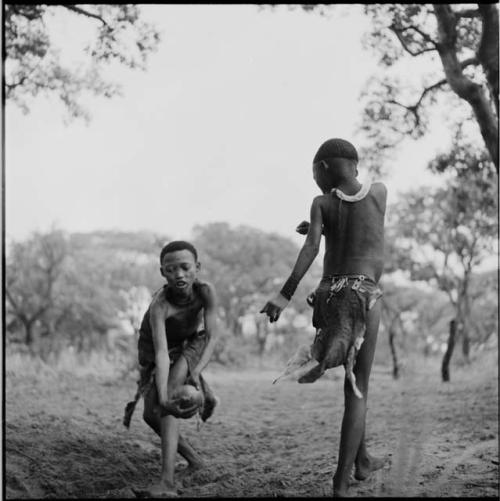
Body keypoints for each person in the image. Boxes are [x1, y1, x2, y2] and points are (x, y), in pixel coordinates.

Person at [261, 138, 387, 497]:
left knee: (351, 381)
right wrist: (328, 223)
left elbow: (312, 247)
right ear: (354, 166)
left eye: (314, 172)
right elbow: (361, 222)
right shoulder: (379, 192)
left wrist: (284, 294)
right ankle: (340, 482)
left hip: (329, 296)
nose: (314, 181)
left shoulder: (321, 204)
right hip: (362, 294)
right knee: (357, 388)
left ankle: (361, 461)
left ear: (324, 168)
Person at [124, 240, 219, 498]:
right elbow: (161, 353)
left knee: (175, 392)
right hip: (156, 354)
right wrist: (163, 400)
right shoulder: (160, 305)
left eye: (185, 267)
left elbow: (211, 337)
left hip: (191, 344)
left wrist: (197, 371)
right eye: (171, 269)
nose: (179, 274)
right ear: (162, 272)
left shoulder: (205, 292)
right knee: (151, 414)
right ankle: (194, 460)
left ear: (197, 267)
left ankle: (166, 481)